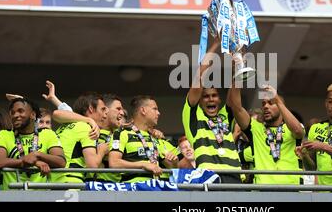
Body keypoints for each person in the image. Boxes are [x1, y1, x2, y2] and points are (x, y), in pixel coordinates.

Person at [182, 37, 241, 183]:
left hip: (234, 178)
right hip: (209, 178)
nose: (210, 99)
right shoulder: (194, 118)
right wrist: (216, 44)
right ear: (200, 101)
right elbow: (198, 80)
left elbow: (235, 93)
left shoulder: (225, 117)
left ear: (219, 100)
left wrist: (238, 65)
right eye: (206, 96)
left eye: (214, 95)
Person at [228, 84, 305, 184]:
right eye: (263, 103)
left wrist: (278, 100)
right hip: (263, 192)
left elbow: (298, 131)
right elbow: (236, 108)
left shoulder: (291, 128)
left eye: (270, 103)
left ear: (280, 106)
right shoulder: (255, 128)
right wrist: (237, 78)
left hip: (292, 191)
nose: (266, 106)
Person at [0, 98, 66, 190]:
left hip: (39, 197)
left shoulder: (47, 134)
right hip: (10, 197)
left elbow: (61, 161)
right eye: (12, 113)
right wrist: (25, 162)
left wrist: (37, 155)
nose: (16, 115)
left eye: (20, 111)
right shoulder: (4, 134)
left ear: (33, 115)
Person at [109, 95, 178, 182]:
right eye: (155, 109)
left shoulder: (155, 137)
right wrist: (143, 165)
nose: (158, 113)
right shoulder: (122, 133)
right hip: (132, 190)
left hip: (155, 190)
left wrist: (174, 161)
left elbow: (171, 167)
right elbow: (114, 163)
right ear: (143, 110)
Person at [52, 92, 109, 183]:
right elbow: (92, 165)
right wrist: (101, 151)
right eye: (102, 109)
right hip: (71, 181)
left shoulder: (64, 126)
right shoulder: (86, 128)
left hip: (52, 181)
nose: (105, 115)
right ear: (91, 108)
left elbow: (57, 113)